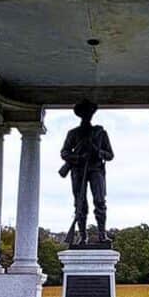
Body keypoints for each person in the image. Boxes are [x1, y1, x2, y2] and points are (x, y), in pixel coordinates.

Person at [59, 100, 114, 244]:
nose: (87, 115)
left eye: (89, 112)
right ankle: (82, 236)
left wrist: (97, 151)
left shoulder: (100, 133)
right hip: (78, 170)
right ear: (80, 115)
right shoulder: (73, 134)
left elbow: (110, 155)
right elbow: (64, 153)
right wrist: (79, 157)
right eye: (84, 112)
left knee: (100, 201)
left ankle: (102, 234)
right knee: (80, 204)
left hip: (96, 169)